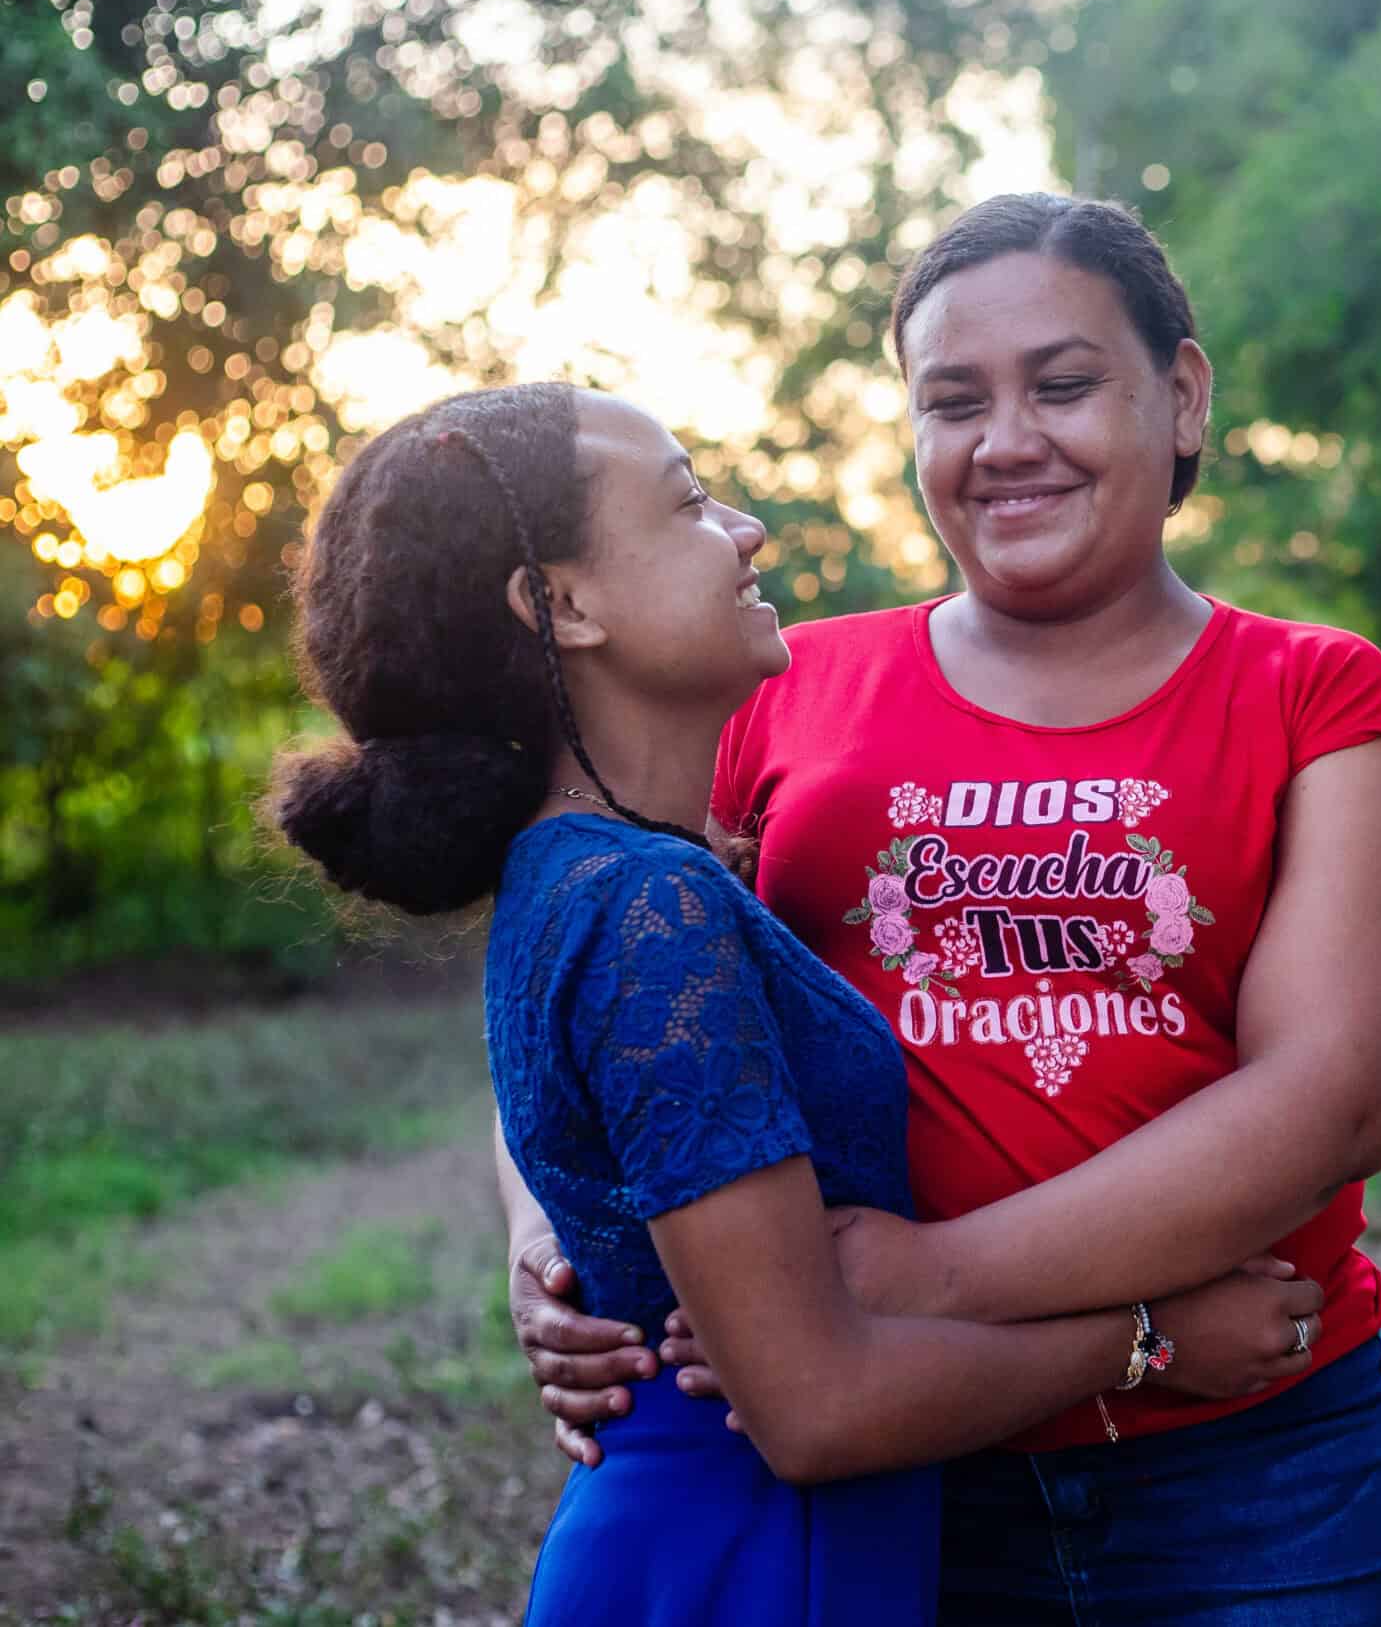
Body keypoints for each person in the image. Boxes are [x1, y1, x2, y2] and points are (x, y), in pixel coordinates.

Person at [504, 194, 1381, 1623]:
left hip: (1255, 1482)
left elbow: (1333, 1102)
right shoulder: (774, 690)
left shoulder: (1318, 700)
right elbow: (571, 961)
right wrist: (550, 1236)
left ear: (1184, 394)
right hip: (889, 1484)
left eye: (1065, 384)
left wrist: (928, 1274)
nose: (1007, 440)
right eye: (954, 401)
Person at [267, 379, 1327, 1625]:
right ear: (561, 605)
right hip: (757, 1549)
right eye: (686, 504)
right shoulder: (644, 906)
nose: (746, 527)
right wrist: (1149, 1343)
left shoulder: (593, 872)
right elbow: (814, 1410)